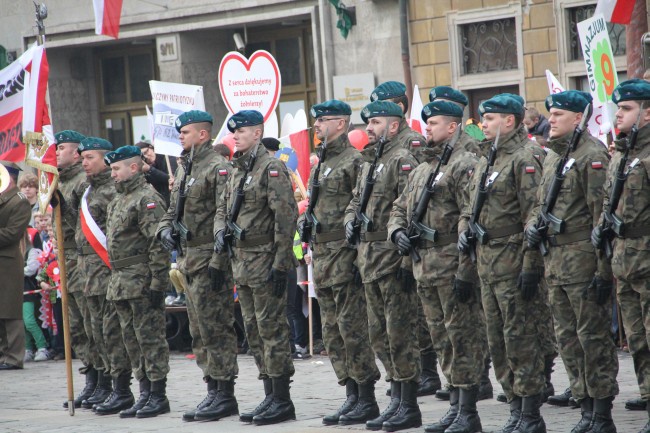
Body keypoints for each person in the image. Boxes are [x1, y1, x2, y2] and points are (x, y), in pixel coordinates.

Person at [526, 90, 619, 433]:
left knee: (592, 338)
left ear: (578, 118)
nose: (550, 120)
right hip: (556, 263)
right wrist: (535, 227)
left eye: (559, 115)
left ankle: (602, 412)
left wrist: (603, 271)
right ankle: (584, 407)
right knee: (567, 339)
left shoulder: (591, 156)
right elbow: (540, 205)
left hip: (583, 264)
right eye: (550, 114)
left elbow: (602, 219)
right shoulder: (553, 157)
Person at [389, 100, 484, 433]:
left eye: (434, 123)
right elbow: (399, 209)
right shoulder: (422, 169)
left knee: (462, 339)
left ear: (453, 127)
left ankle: (468, 411)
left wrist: (465, 272)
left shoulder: (464, 164)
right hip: (424, 267)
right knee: (442, 340)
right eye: (426, 123)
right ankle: (455, 405)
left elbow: (469, 218)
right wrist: (397, 232)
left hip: (450, 266)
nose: (426, 128)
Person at [458, 94, 547, 433]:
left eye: (490, 118)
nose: (483, 123)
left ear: (509, 121)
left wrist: (529, 265)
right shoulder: (487, 159)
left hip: (512, 263)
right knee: (497, 342)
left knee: (520, 339)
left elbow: (534, 214)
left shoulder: (524, 158)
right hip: (487, 264)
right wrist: (465, 229)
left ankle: (530, 413)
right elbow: (470, 207)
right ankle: (514, 406)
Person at [214, 110, 298, 426]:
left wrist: (280, 264)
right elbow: (223, 210)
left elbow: (285, 218)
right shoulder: (237, 169)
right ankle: (269, 394)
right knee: (254, 331)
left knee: (272, 329)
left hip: (265, 262)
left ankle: (282, 399)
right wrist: (221, 230)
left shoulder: (271, 168)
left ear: (258, 133)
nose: (235, 135)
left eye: (242, 131)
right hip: (243, 264)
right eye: (233, 131)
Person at [300, 99, 380, 426]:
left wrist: (358, 258)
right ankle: (350, 394)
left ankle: (367, 397)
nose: (317, 125)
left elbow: (362, 211)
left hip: (344, 256)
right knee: (332, 332)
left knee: (353, 329)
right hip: (322, 256)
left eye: (323, 120)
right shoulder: (320, 162)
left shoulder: (354, 161)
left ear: (341, 124)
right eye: (316, 121)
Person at [157, 110, 238, 422]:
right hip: (188, 258)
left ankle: (225, 393)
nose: (181, 136)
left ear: (203, 135)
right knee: (199, 330)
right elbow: (172, 208)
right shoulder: (186, 166)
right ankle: (212, 388)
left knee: (216, 327)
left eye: (186, 132)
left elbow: (225, 214)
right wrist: (165, 228)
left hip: (208, 256)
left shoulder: (218, 168)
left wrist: (219, 261)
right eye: (180, 132)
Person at [344, 100, 421, 432]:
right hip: (368, 259)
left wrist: (405, 264)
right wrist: (349, 220)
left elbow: (410, 212)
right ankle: (395, 399)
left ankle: (409, 404)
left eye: (374, 123)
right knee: (379, 336)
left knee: (399, 334)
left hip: (390, 259)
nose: (369, 129)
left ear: (393, 126)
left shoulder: (402, 161)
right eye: (368, 123)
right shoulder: (370, 162)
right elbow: (354, 201)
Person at [592, 79, 650, 433]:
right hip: (626, 261)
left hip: (647, 257)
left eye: (627, 109)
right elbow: (607, 204)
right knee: (637, 340)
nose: (619, 116)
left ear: (647, 113)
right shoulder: (621, 155)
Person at [105, 146, 171, 418]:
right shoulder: (118, 200)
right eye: (111, 169)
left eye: (117, 168)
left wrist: (158, 283)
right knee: (131, 340)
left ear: (133, 168)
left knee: (150, 338)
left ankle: (158, 394)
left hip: (141, 280)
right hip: (120, 281)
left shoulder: (147, 199)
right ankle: (144, 391)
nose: (113, 174)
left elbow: (158, 245)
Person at [75, 137, 134, 413]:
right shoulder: (89, 190)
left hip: (108, 273)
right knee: (95, 332)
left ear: (105, 159)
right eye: (83, 158)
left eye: (90, 158)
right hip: (89, 275)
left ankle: (121, 389)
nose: (84, 162)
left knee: (112, 334)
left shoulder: (111, 191)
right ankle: (105, 386)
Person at [54, 130, 100, 408]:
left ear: (76, 153)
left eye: (61, 148)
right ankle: (91, 377)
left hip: (82, 258)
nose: (56, 153)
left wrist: (60, 203)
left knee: (90, 322)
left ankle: (103, 380)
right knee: (76, 326)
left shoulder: (83, 183)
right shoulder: (58, 181)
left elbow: (85, 228)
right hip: (66, 260)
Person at [0, 161, 32, 370]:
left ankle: (14, 356)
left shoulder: (19, 201)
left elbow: (12, 233)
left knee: (10, 311)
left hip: (8, 262)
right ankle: (4, 353)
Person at [370, 81, 427, 162]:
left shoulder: (412, 141)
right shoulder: (381, 140)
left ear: (399, 107)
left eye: (383, 107)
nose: (378, 112)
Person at [23, 228, 49, 362]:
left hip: (27, 288)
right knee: (21, 322)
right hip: (14, 289)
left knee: (29, 321)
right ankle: (27, 348)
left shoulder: (31, 251)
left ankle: (42, 347)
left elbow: (30, 269)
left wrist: (12, 270)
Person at [136, 140, 177, 207]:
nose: (146, 156)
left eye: (146, 152)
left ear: (151, 147)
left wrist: (150, 169)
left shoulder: (167, 158)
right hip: (160, 202)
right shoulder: (146, 166)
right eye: (143, 156)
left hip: (173, 200)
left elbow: (171, 179)